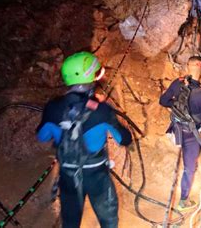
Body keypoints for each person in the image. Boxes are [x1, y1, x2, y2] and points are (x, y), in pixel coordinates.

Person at [36, 51, 132, 228]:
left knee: (70, 222)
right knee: (109, 220)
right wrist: (106, 113)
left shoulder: (53, 107)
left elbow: (42, 136)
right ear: (90, 77)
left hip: (68, 175)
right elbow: (124, 139)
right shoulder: (102, 110)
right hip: (97, 175)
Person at [160, 56, 201, 211]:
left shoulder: (177, 83)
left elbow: (163, 101)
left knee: (190, 154)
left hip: (175, 129)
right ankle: (183, 201)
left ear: (187, 67)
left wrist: (175, 107)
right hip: (191, 135)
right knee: (189, 168)